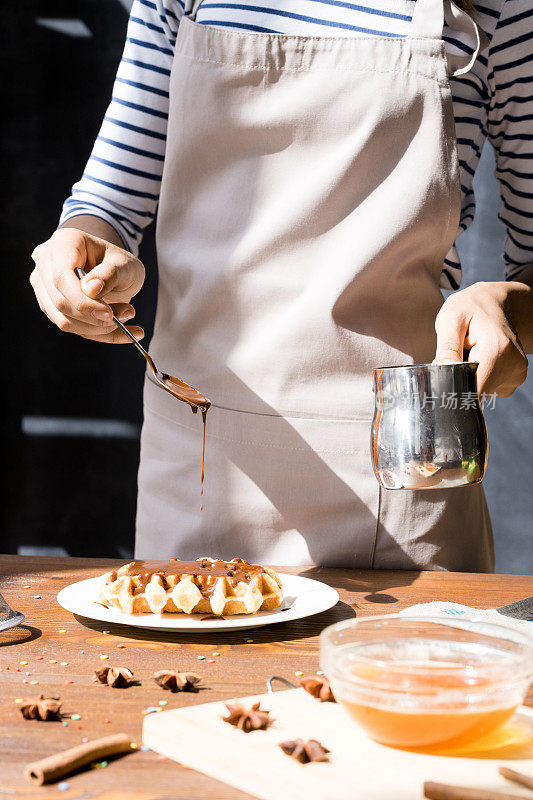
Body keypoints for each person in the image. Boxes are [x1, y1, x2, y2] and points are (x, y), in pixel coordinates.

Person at [30, 0, 532, 571]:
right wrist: (79, 243)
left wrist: (507, 310)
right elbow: (108, 205)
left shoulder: (497, 7)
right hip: (196, 463)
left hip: (401, 480)